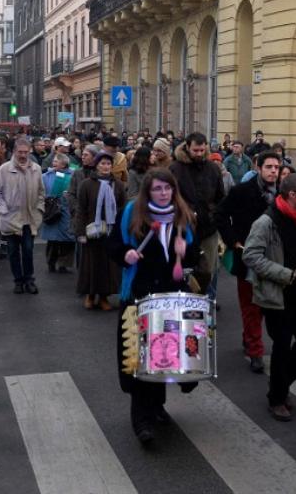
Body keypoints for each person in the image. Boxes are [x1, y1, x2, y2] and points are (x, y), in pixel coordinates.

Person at [109, 169, 199, 444]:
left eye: (167, 189)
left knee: (165, 354)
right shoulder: (131, 213)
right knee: (139, 358)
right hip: (140, 293)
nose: (163, 194)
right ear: (148, 192)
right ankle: (141, 420)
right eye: (157, 189)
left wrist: (187, 253)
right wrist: (126, 254)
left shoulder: (183, 217)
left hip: (170, 295)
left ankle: (157, 406)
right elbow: (113, 245)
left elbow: (195, 257)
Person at [242, 173, 296, 421]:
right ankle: (277, 397)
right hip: (276, 294)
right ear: (291, 195)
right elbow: (251, 256)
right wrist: (282, 273)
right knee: (282, 345)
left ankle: (280, 385)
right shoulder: (266, 222)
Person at [216, 151, 283, 374]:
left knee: (269, 306)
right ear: (258, 167)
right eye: (269, 167)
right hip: (248, 257)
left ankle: (249, 337)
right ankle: (255, 351)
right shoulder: (242, 191)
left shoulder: (284, 192)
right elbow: (221, 214)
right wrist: (233, 240)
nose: (273, 171)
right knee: (251, 306)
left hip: (276, 259)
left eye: (276, 167)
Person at [170, 133, 226, 296]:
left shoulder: (213, 168)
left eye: (202, 150)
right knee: (185, 268)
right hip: (183, 227)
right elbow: (170, 197)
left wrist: (213, 215)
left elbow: (220, 197)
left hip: (208, 227)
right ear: (187, 147)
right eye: (196, 150)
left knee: (210, 268)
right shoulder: (175, 168)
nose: (199, 154)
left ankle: (209, 301)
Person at [0, 137, 45, 293]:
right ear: (14, 151)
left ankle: (29, 279)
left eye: (26, 152)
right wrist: (3, 210)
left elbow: (41, 192)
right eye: (20, 152)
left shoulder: (36, 169)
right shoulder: (4, 169)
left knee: (28, 251)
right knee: (13, 252)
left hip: (29, 218)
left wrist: (40, 209)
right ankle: (18, 281)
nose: (23, 155)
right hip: (10, 219)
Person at [74, 152, 126, 310]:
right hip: (92, 230)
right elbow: (81, 209)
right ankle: (90, 295)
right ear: (96, 165)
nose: (106, 167)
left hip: (110, 231)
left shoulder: (117, 184)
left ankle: (104, 296)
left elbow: (123, 208)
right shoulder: (86, 184)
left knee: (107, 265)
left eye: (108, 164)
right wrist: (80, 232)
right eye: (102, 164)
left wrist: (120, 230)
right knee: (91, 264)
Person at [41, 153, 76, 273]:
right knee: (53, 240)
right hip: (52, 210)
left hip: (67, 210)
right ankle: (51, 262)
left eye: (57, 161)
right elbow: (41, 191)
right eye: (54, 161)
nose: (54, 163)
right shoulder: (46, 175)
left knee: (68, 239)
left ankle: (64, 264)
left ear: (64, 163)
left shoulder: (73, 175)